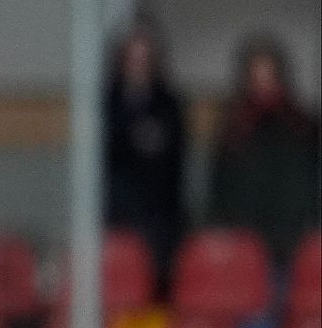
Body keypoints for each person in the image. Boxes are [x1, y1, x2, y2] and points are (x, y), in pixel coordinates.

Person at [208, 34, 320, 265]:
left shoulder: (300, 123)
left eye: (268, 74)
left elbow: (310, 177)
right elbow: (220, 182)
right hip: (244, 236)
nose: (263, 82)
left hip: (292, 234)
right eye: (256, 74)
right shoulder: (234, 127)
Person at [104, 18, 187, 281]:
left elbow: (170, 163)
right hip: (115, 216)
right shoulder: (106, 103)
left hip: (158, 221)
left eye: (144, 59)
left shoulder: (169, 104)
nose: (138, 66)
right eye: (132, 59)